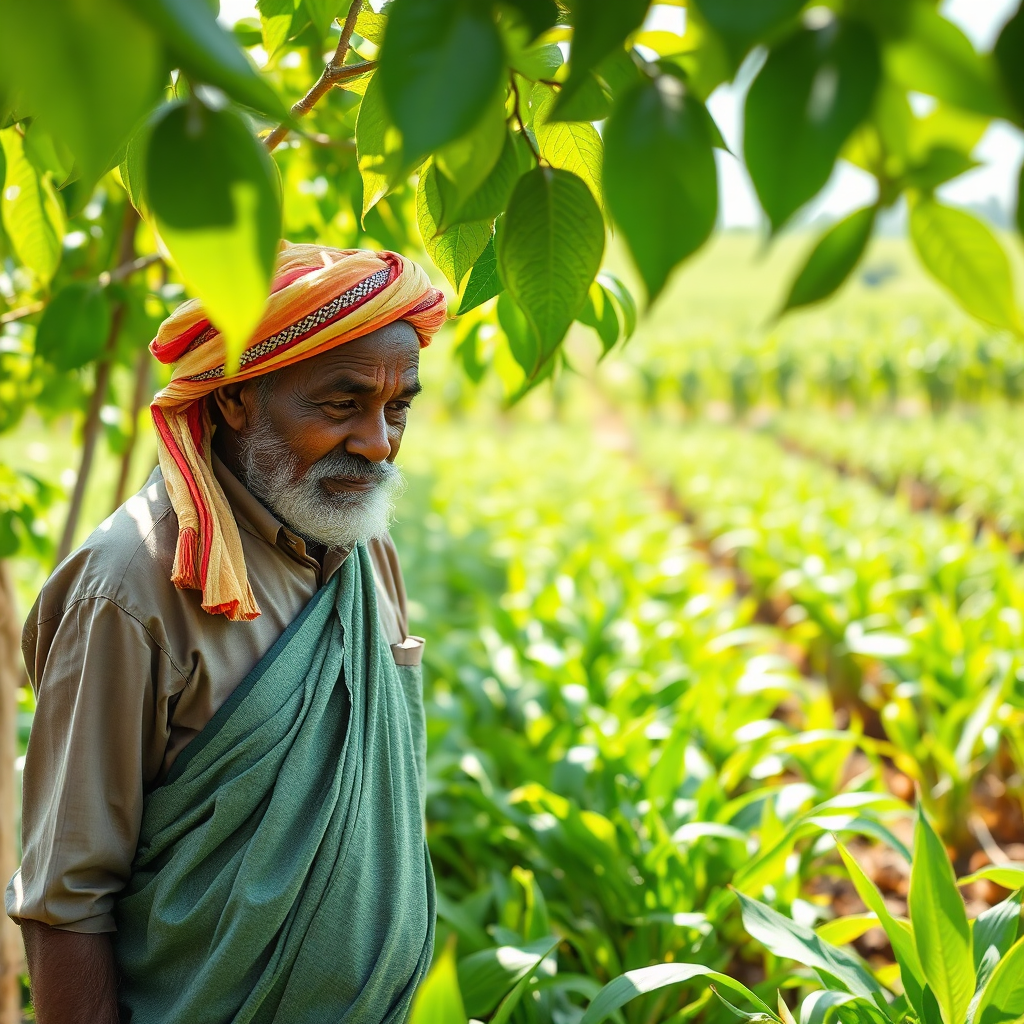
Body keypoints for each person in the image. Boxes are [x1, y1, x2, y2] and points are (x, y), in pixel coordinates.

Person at [5, 244, 447, 1024]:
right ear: (238, 397)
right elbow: (66, 901)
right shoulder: (129, 589)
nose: (378, 443)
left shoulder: (364, 547)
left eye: (397, 408)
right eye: (340, 405)